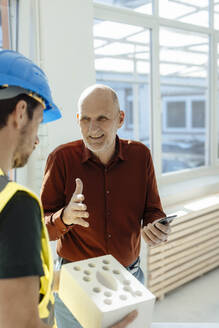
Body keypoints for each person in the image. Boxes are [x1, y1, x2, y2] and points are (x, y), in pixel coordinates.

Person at [0, 51, 135, 328]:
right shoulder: (16, 204)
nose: (37, 140)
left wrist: (75, 279)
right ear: (21, 113)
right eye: (39, 123)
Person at [41, 84, 170, 328]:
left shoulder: (141, 156)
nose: (93, 129)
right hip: (75, 284)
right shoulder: (61, 159)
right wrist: (64, 218)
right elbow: (39, 228)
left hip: (128, 280)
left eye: (102, 118)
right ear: (78, 119)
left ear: (120, 118)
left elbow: (153, 210)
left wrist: (156, 226)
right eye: (85, 119)